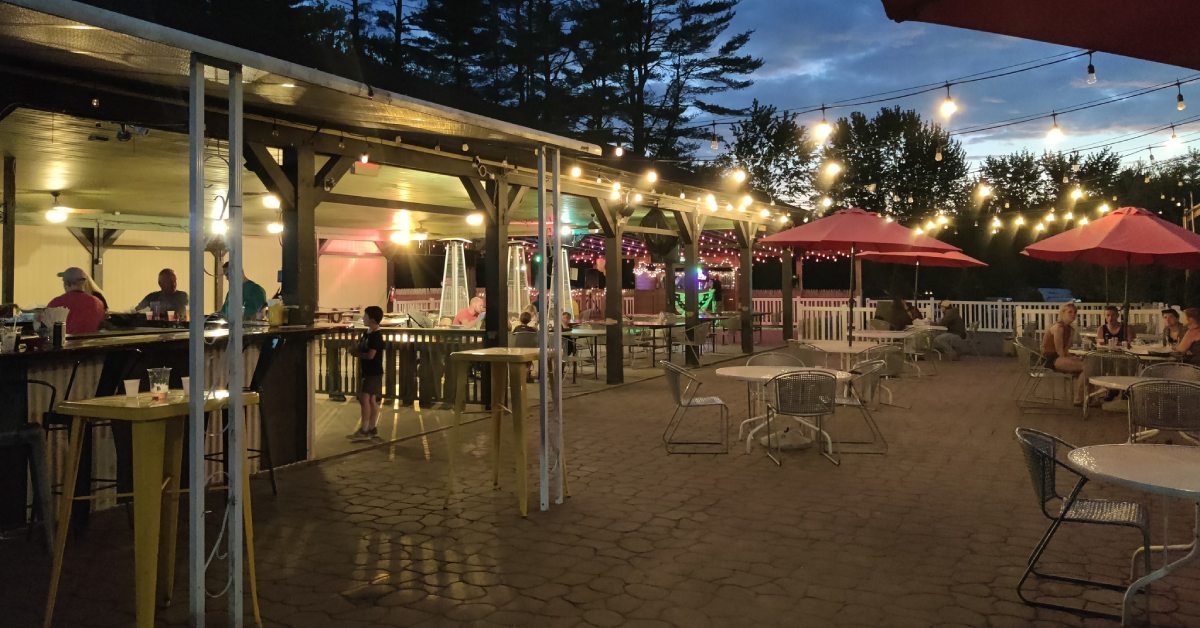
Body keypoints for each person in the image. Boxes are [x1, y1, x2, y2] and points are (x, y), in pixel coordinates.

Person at [348, 305, 385, 440]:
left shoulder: (376, 336)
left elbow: (370, 355)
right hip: (369, 372)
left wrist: (358, 354)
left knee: (365, 399)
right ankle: (371, 428)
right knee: (371, 399)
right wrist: (353, 341)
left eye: (365, 316)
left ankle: (364, 429)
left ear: (373, 320)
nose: (363, 318)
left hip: (373, 372)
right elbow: (359, 348)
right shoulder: (367, 333)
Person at [1040, 302, 1086, 404]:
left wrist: (1074, 358)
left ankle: (1084, 398)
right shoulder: (1058, 328)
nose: (1073, 314)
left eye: (1075, 312)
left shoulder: (1070, 329)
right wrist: (1072, 359)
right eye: (1070, 312)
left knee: (1088, 366)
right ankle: (1079, 398)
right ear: (1063, 313)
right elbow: (1059, 351)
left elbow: (1066, 351)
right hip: (1050, 359)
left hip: (1059, 357)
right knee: (1086, 367)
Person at [47, 267, 106, 335]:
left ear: (67, 284)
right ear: (84, 283)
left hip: (67, 343)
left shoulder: (56, 303)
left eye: (63, 281)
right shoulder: (98, 303)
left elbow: (47, 329)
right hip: (90, 343)